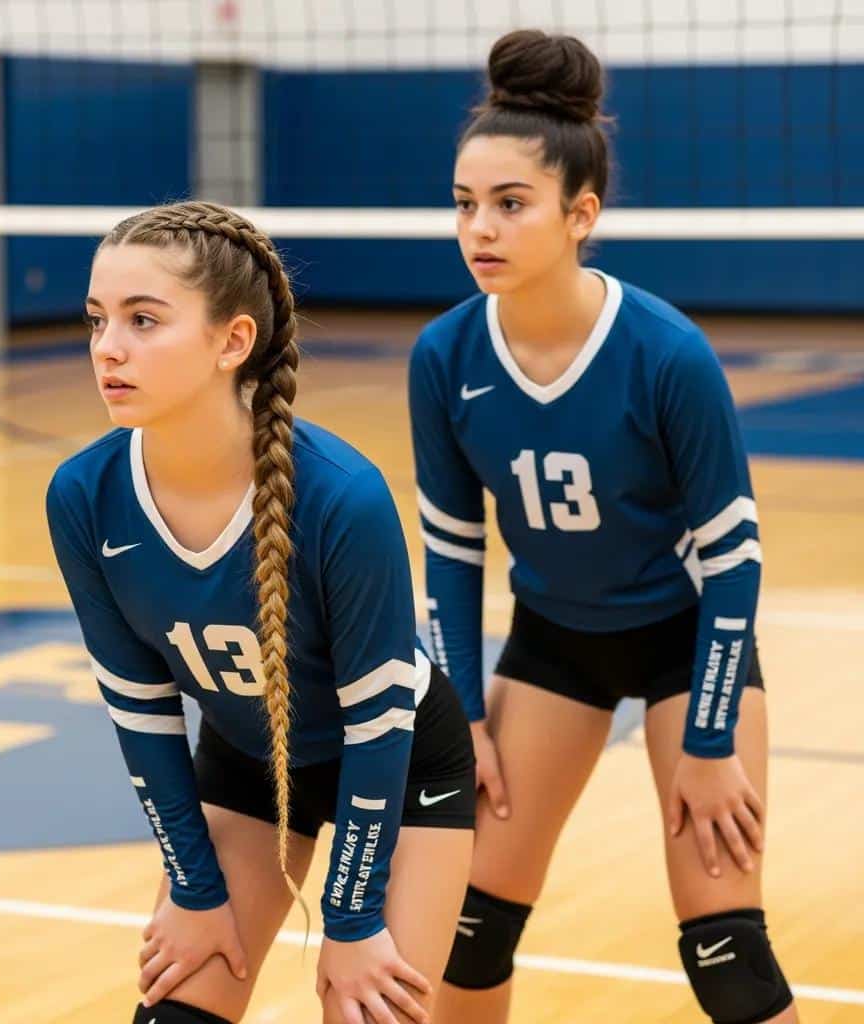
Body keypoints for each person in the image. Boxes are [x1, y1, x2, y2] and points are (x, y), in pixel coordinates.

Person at [408, 30, 799, 1024]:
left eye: (509, 204)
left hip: (686, 646)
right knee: (469, 929)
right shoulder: (444, 356)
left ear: (579, 215)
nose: (478, 229)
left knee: (725, 954)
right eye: (464, 204)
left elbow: (733, 560)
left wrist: (709, 742)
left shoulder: (665, 354)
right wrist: (464, 718)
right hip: (554, 648)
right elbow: (451, 553)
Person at [47, 200, 476, 1024]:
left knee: (370, 1012)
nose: (108, 348)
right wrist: (194, 888)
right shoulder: (83, 496)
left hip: (399, 765)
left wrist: (352, 922)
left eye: (144, 321)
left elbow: (379, 729)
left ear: (232, 341)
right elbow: (142, 714)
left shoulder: (341, 497)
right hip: (252, 761)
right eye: (98, 319)